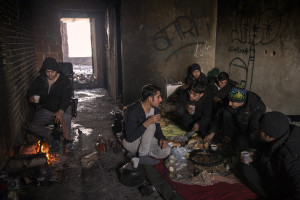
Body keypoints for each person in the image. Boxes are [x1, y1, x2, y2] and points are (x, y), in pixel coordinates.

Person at [241, 111, 300, 200]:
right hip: (282, 175)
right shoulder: (285, 131)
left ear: (269, 136)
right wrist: (255, 156)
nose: (257, 130)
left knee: (248, 170)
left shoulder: (291, 157)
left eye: (260, 129)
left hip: (287, 189)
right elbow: (271, 155)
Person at [27, 57, 73, 153]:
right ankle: (53, 134)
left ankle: (67, 141)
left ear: (56, 70)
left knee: (66, 118)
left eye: (52, 72)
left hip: (61, 107)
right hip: (48, 108)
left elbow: (66, 99)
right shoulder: (41, 79)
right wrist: (31, 97)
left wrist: (60, 112)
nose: (50, 74)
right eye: (48, 72)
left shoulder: (64, 80)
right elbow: (31, 91)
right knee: (33, 127)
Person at [121, 84, 171, 165]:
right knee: (151, 125)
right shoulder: (132, 110)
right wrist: (148, 122)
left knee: (167, 150)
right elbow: (130, 138)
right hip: (131, 143)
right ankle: (143, 156)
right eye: (158, 97)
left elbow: (157, 128)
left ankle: (138, 153)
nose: (161, 99)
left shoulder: (156, 110)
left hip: (145, 142)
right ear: (150, 98)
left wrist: (162, 138)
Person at [221, 85, 266, 150]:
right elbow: (220, 117)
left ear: (241, 102)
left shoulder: (255, 106)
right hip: (239, 123)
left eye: (232, 102)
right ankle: (229, 137)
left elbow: (254, 127)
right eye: (229, 100)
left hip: (249, 129)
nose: (229, 103)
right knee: (226, 113)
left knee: (243, 141)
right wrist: (213, 132)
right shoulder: (231, 98)